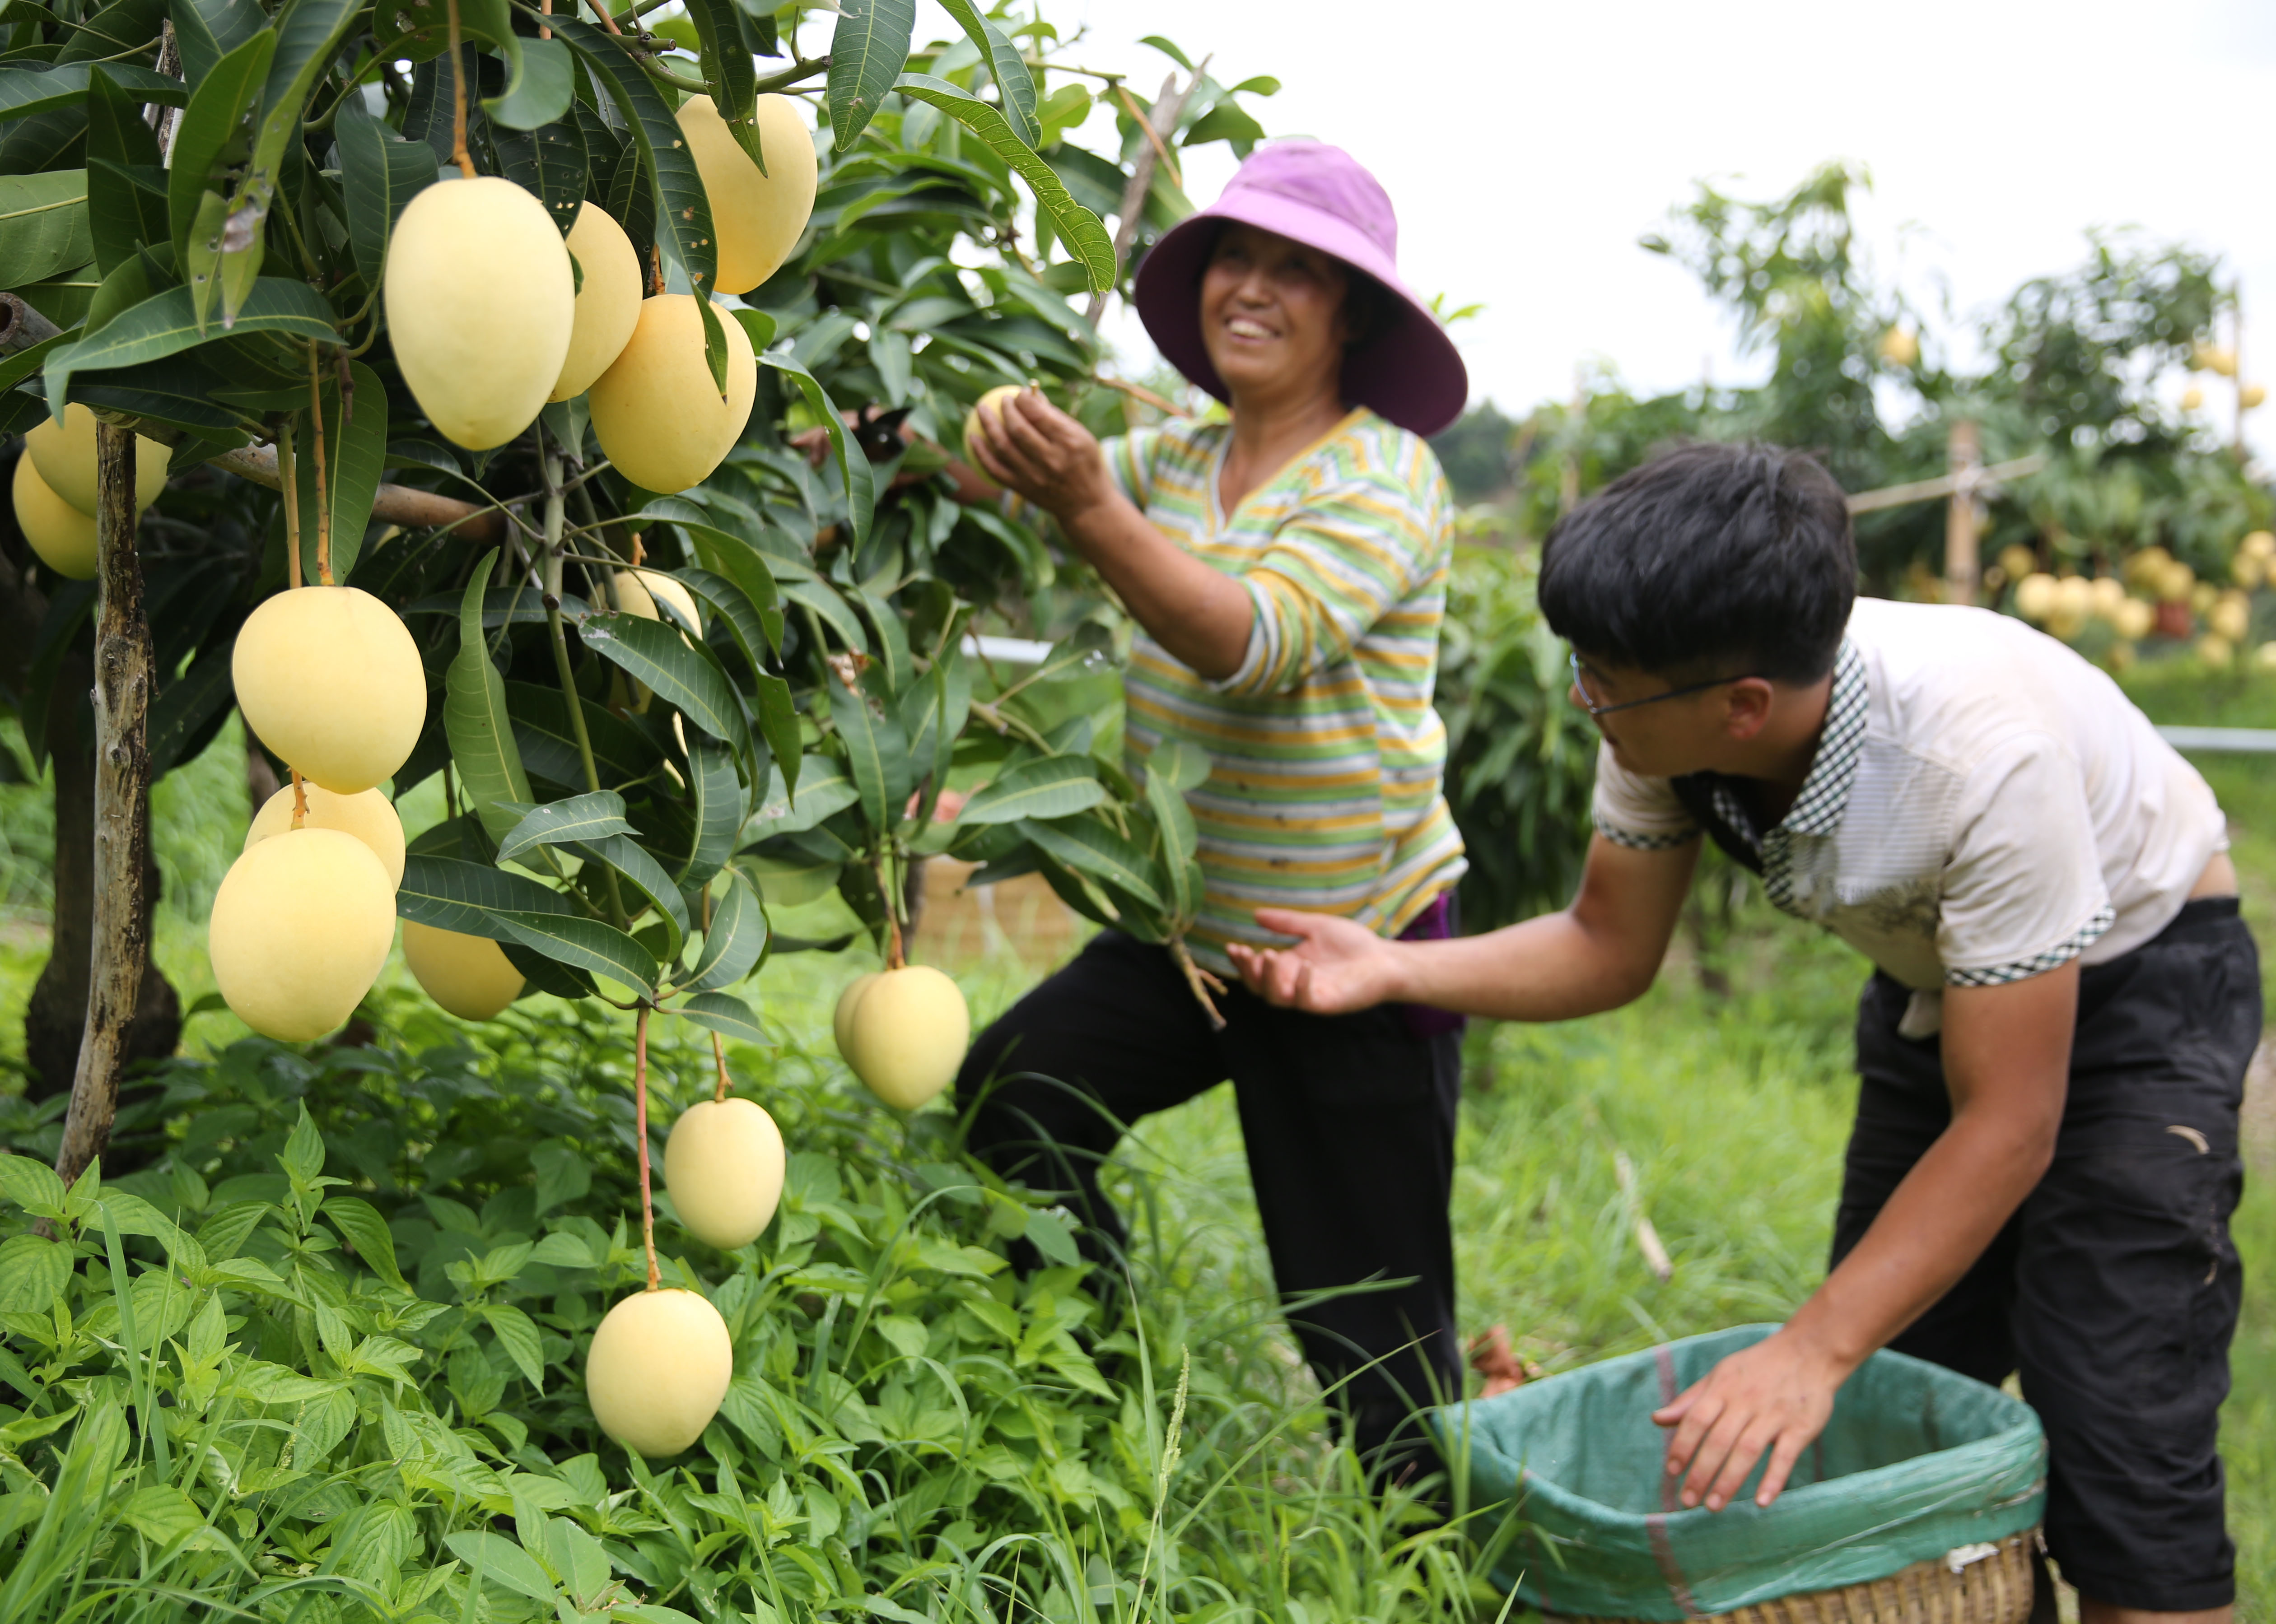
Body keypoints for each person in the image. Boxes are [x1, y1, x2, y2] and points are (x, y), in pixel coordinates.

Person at [1228, 442, 2254, 1622]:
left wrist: (1809, 1349)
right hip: (1948, 995)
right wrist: (1390, 969)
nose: (1581, 696)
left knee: (2117, 1425)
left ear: (1743, 704)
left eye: (1602, 678)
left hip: (2143, 976)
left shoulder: (1978, 758)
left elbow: (2013, 1123)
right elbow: (1609, 946)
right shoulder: (1675, 720)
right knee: (1897, 1404)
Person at [948, 140, 1473, 1475]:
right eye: (1236, 257)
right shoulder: (1173, 451)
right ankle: (1094, 1391)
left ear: (1351, 314)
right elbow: (996, 477)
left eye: (1299, 272)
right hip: (1186, 931)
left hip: (1346, 949)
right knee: (1017, 1096)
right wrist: (977, 436)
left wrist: (1083, 506)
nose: (1254, 287)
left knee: (1370, 1318)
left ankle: (1434, 1561)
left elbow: (1250, 642)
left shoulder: (1384, 477)